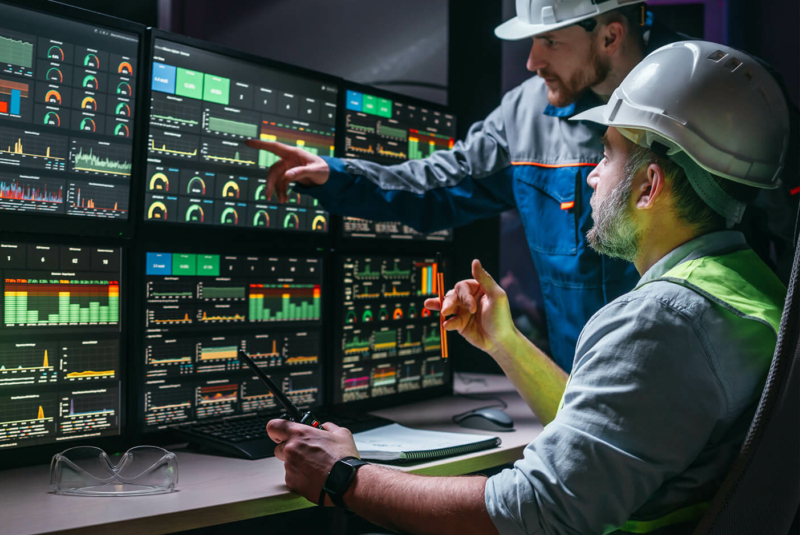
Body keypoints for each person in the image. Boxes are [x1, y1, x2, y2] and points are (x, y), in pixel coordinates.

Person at [264, 41, 790, 535]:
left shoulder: (660, 319)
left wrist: (343, 475)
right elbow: (611, 434)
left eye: (605, 155)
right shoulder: (750, 288)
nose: (590, 176)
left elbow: (533, 514)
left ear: (649, 187)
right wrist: (504, 342)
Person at [246, 0, 681, 372]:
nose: (532, 62)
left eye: (549, 40)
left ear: (610, 36)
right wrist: (334, 175)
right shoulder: (524, 115)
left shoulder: (698, 101)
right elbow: (438, 187)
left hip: (678, 388)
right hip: (575, 393)